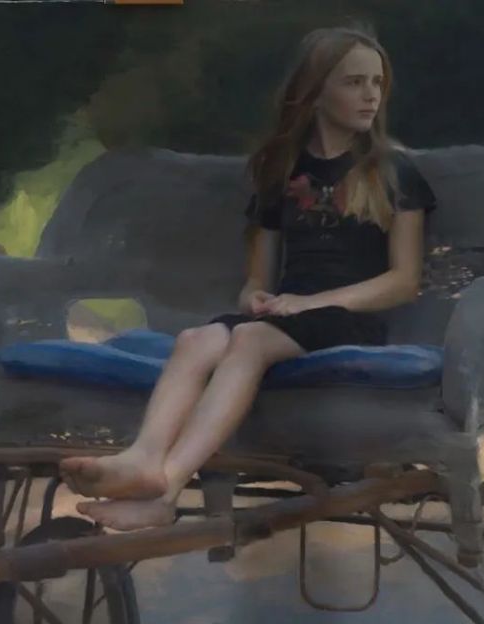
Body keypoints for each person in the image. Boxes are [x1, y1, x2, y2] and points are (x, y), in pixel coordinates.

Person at [59, 26, 436, 531]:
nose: (370, 95)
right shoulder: (283, 172)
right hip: (286, 318)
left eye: (377, 83)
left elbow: (404, 281)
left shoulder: (392, 170)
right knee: (195, 340)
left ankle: (165, 490)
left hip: (350, 319)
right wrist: (257, 297)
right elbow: (256, 279)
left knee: (249, 341)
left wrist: (309, 303)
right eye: (353, 82)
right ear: (315, 91)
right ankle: (144, 458)